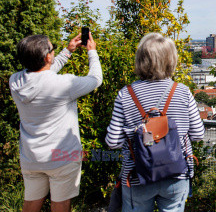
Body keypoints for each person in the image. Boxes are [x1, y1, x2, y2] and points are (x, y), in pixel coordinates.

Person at [105, 33, 204, 212]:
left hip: (137, 176)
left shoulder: (125, 95)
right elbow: (198, 134)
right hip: (176, 174)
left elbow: (113, 142)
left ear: (141, 59)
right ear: (170, 60)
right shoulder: (182, 92)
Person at [9, 32, 102, 212]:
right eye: (53, 49)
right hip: (62, 157)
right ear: (47, 56)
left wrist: (67, 51)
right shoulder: (64, 84)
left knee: (31, 204)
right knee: (60, 205)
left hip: (31, 157)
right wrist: (92, 52)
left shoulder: (16, 81)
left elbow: (41, 77)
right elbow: (95, 79)